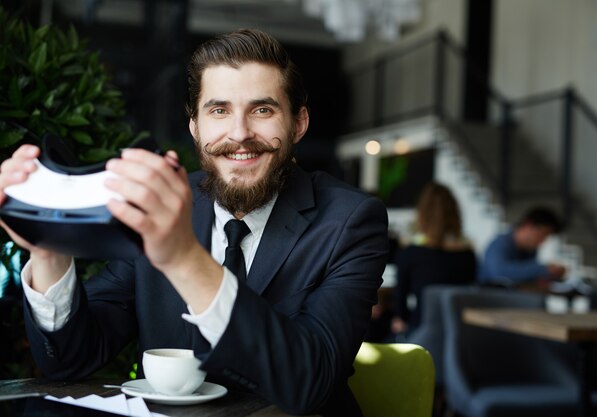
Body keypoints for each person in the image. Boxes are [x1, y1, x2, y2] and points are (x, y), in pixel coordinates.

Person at [0, 29, 389, 416]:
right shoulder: (161, 202)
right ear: (195, 126)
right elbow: (70, 359)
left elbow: (310, 384)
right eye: (219, 110)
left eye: (262, 110)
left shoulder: (350, 221)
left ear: (298, 123)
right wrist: (47, 246)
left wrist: (182, 255)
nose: (239, 134)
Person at [391, 182, 476, 337]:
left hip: (422, 331)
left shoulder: (410, 252)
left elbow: (400, 301)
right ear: (455, 214)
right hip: (458, 332)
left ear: (421, 214)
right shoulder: (468, 254)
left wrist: (400, 319)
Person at [478, 206, 566, 287]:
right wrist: (544, 269)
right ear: (528, 224)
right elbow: (500, 274)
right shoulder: (500, 244)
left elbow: (527, 276)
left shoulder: (530, 250)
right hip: (487, 296)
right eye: (541, 234)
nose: (542, 241)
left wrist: (550, 275)